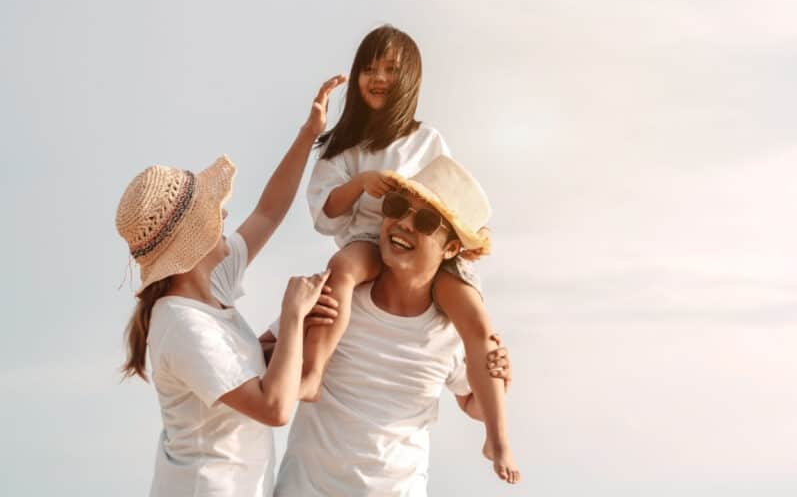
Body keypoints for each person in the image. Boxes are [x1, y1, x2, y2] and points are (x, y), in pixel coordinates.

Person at [293, 24, 518, 481]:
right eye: (369, 69)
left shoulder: (427, 140)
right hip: (367, 240)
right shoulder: (343, 148)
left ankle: (499, 436)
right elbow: (325, 214)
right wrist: (359, 185)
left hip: (432, 255)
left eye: (391, 70)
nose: (378, 78)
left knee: (477, 323)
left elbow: (450, 197)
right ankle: (314, 371)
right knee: (341, 267)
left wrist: (493, 387)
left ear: (410, 79)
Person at [115, 77, 347, 496]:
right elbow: (274, 408)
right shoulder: (180, 324)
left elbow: (269, 210)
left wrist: (309, 133)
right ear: (194, 238)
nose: (224, 213)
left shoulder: (212, 284)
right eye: (213, 211)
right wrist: (292, 316)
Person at [268, 155, 518, 496]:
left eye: (427, 221)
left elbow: (472, 404)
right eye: (398, 206)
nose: (404, 224)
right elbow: (261, 355)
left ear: (451, 249)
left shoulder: (449, 334)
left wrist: (502, 383)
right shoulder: (337, 299)